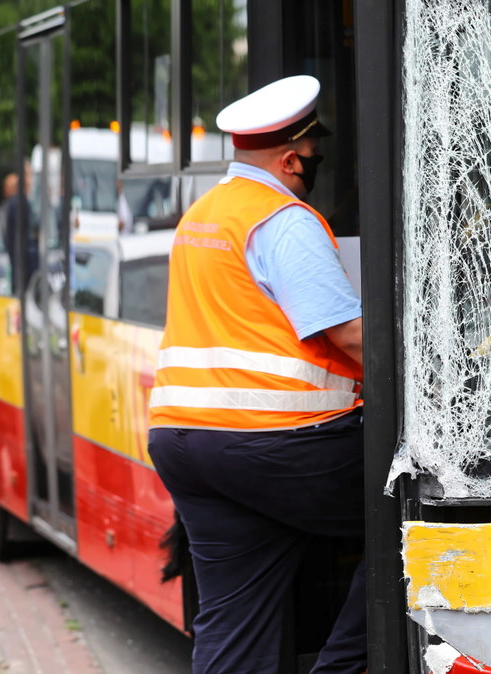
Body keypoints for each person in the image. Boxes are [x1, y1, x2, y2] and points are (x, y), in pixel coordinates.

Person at [147, 75, 366, 674]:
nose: (315, 166)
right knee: (416, 513)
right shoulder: (283, 220)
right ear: (292, 158)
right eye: (314, 157)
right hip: (276, 444)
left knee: (233, 623)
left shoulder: (204, 215)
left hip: (183, 442)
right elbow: (345, 334)